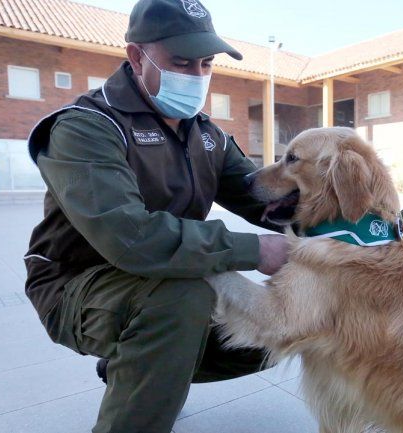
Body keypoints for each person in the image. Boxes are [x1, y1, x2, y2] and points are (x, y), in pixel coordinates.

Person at [23, 0, 288, 431]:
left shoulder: (208, 136)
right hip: (77, 284)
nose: (197, 76)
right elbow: (130, 237)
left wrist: (357, 231)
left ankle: (137, 368)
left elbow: (266, 201)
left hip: (166, 276)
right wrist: (253, 249)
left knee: (294, 324)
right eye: (181, 62)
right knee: (180, 301)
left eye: (206, 64)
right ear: (136, 56)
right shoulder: (87, 127)